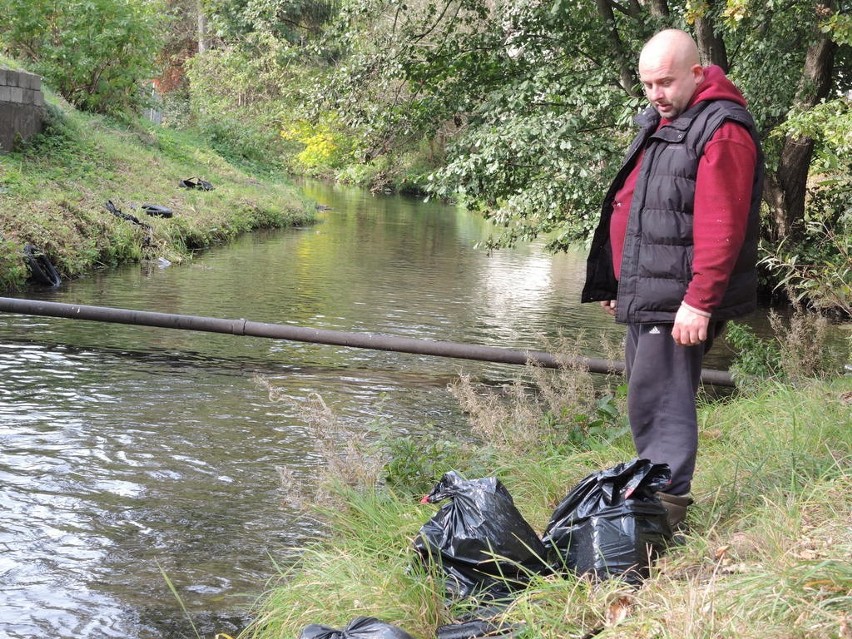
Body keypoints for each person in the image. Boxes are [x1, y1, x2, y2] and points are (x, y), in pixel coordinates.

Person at [581, 29, 764, 529]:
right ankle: (650, 504)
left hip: (681, 297)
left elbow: (720, 224)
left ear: (698, 74)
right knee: (646, 396)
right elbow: (642, 207)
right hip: (654, 288)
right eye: (647, 85)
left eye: (665, 82)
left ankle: (663, 515)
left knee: (663, 402)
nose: (656, 94)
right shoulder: (672, 120)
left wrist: (700, 302)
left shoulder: (721, 129)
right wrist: (622, 282)